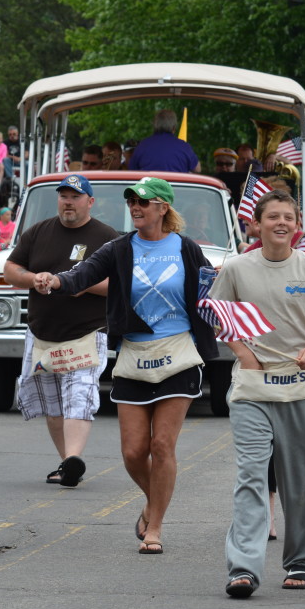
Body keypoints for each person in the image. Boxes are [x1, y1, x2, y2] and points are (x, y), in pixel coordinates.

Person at [34, 177, 217, 555]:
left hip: (179, 353)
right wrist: (56, 280)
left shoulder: (186, 249)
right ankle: (154, 498)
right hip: (134, 354)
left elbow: (210, 291)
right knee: (134, 453)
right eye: (132, 201)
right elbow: (82, 274)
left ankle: (156, 526)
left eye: (145, 202)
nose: (136, 207)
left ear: (163, 208)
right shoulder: (119, 249)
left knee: (162, 446)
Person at [214, 190, 305, 598]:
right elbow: (219, 319)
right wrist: (242, 353)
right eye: (273, 217)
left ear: (297, 224)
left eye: (288, 217)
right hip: (253, 386)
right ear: (257, 224)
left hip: (299, 384)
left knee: (301, 479)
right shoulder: (236, 268)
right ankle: (243, 569)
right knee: (251, 474)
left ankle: (302, 562)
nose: (281, 224)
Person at [4, 174, 119, 486]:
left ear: (90, 202)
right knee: (52, 405)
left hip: (86, 334)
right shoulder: (38, 232)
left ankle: (73, 458)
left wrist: (79, 284)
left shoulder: (106, 238)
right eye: (64, 196)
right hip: (42, 335)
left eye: (76, 196)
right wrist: (34, 279)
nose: (68, 202)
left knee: (80, 395)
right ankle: (68, 462)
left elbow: (120, 286)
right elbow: (10, 269)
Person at [129, 110, 200, 173]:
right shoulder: (184, 147)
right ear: (174, 127)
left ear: (154, 125)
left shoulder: (142, 146)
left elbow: (132, 171)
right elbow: (197, 169)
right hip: (176, 188)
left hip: (149, 187)